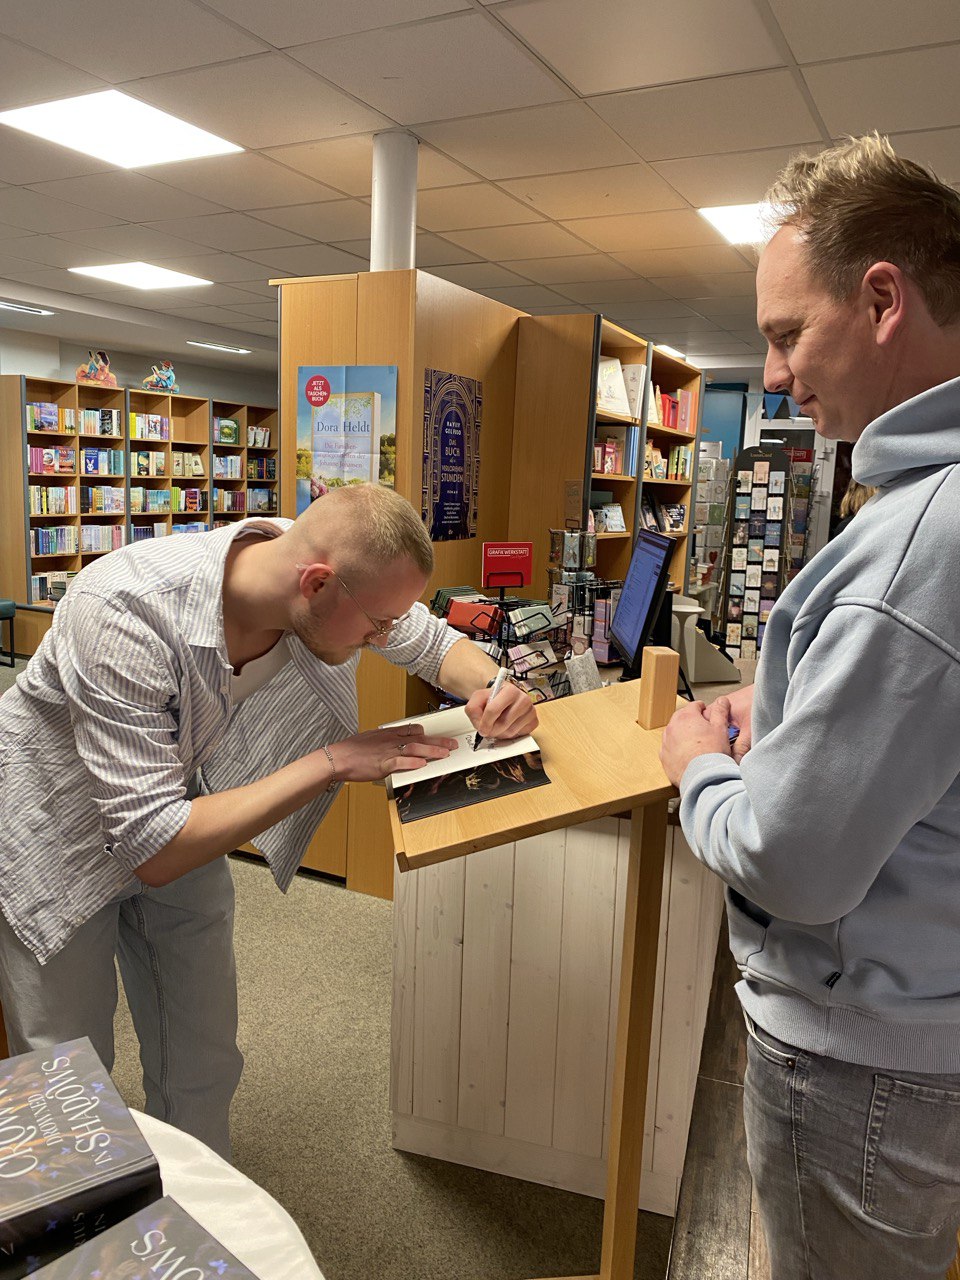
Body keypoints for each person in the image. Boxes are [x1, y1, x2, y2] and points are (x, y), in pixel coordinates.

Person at [0, 484, 536, 1160]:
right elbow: (153, 846)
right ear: (315, 585)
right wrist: (333, 761)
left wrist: (494, 689)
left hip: (178, 799)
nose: (381, 638)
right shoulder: (121, 610)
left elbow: (426, 641)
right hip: (55, 829)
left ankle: (200, 1206)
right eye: (376, 624)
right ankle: (83, 1226)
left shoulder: (307, 561)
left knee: (202, 1055)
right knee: (67, 1081)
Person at [659, 134, 960, 1280]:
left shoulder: (921, 542)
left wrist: (698, 760)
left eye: (788, 333)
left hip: (862, 1066)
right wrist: (798, 699)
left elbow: (790, 861)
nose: (775, 374)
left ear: (882, 299)